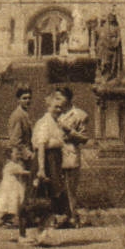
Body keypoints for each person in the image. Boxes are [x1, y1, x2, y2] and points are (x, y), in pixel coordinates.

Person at [31, 90, 69, 240]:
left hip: (54, 161)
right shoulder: (44, 123)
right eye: (56, 107)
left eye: (61, 107)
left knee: (53, 197)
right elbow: (41, 146)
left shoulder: (55, 121)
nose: (59, 110)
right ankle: (41, 231)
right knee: (46, 196)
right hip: (47, 161)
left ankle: (44, 231)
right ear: (48, 106)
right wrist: (41, 169)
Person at [57, 86, 91, 227]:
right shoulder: (56, 113)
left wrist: (69, 132)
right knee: (59, 189)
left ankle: (73, 218)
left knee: (70, 189)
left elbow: (84, 138)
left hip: (70, 156)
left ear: (68, 98)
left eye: (59, 98)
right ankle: (63, 217)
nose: (57, 101)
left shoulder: (80, 115)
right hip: (56, 156)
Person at [0, 146, 31, 241]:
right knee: (15, 213)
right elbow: (23, 172)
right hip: (11, 192)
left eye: (18, 153)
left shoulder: (15, 164)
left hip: (15, 191)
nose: (18, 155)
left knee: (12, 214)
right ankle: (22, 235)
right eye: (16, 154)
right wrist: (35, 172)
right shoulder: (10, 166)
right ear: (10, 156)